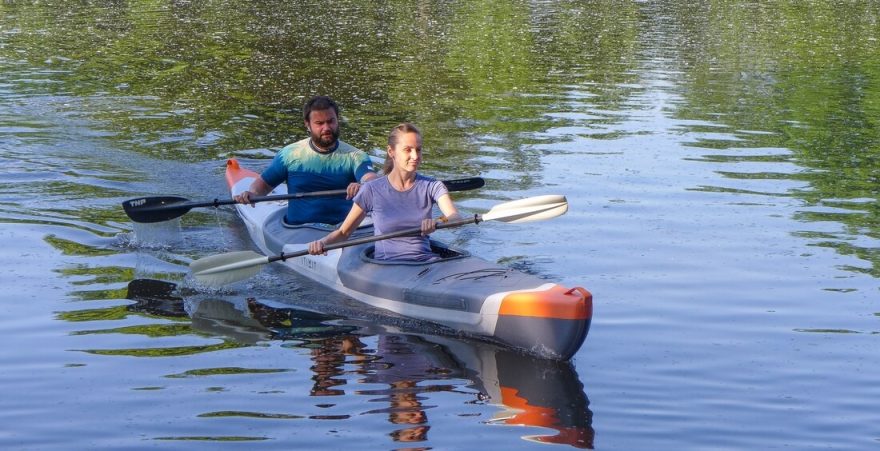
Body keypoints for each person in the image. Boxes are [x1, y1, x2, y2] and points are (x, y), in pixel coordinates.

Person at [308, 123, 460, 262]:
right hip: (387, 267)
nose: (415, 156)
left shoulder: (432, 186)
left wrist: (439, 221)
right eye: (408, 150)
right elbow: (343, 233)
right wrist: (322, 243)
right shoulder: (371, 190)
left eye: (418, 149)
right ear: (391, 151)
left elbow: (454, 217)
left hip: (425, 263)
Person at [234, 96, 377, 225]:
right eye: (319, 123)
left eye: (331, 121)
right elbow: (262, 187)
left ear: (337, 120)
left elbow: (371, 179)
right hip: (298, 229)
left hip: (344, 231)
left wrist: (362, 185)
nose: (326, 128)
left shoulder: (356, 155)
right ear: (307, 124)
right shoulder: (290, 155)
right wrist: (251, 195)